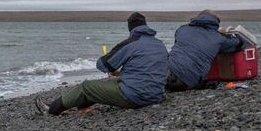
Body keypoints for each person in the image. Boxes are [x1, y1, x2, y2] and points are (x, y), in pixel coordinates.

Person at [35, 12, 168, 115]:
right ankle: (83, 107)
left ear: (130, 28)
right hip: (157, 94)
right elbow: (147, 69)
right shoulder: (159, 44)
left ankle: (51, 109)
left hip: (137, 96)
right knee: (104, 85)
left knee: (86, 87)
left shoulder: (131, 42)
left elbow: (103, 65)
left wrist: (110, 62)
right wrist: (120, 73)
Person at [166, 10, 244, 91]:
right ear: (215, 21)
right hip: (186, 81)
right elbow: (239, 43)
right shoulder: (218, 38)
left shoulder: (182, 29)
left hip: (164, 70)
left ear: (197, 18)